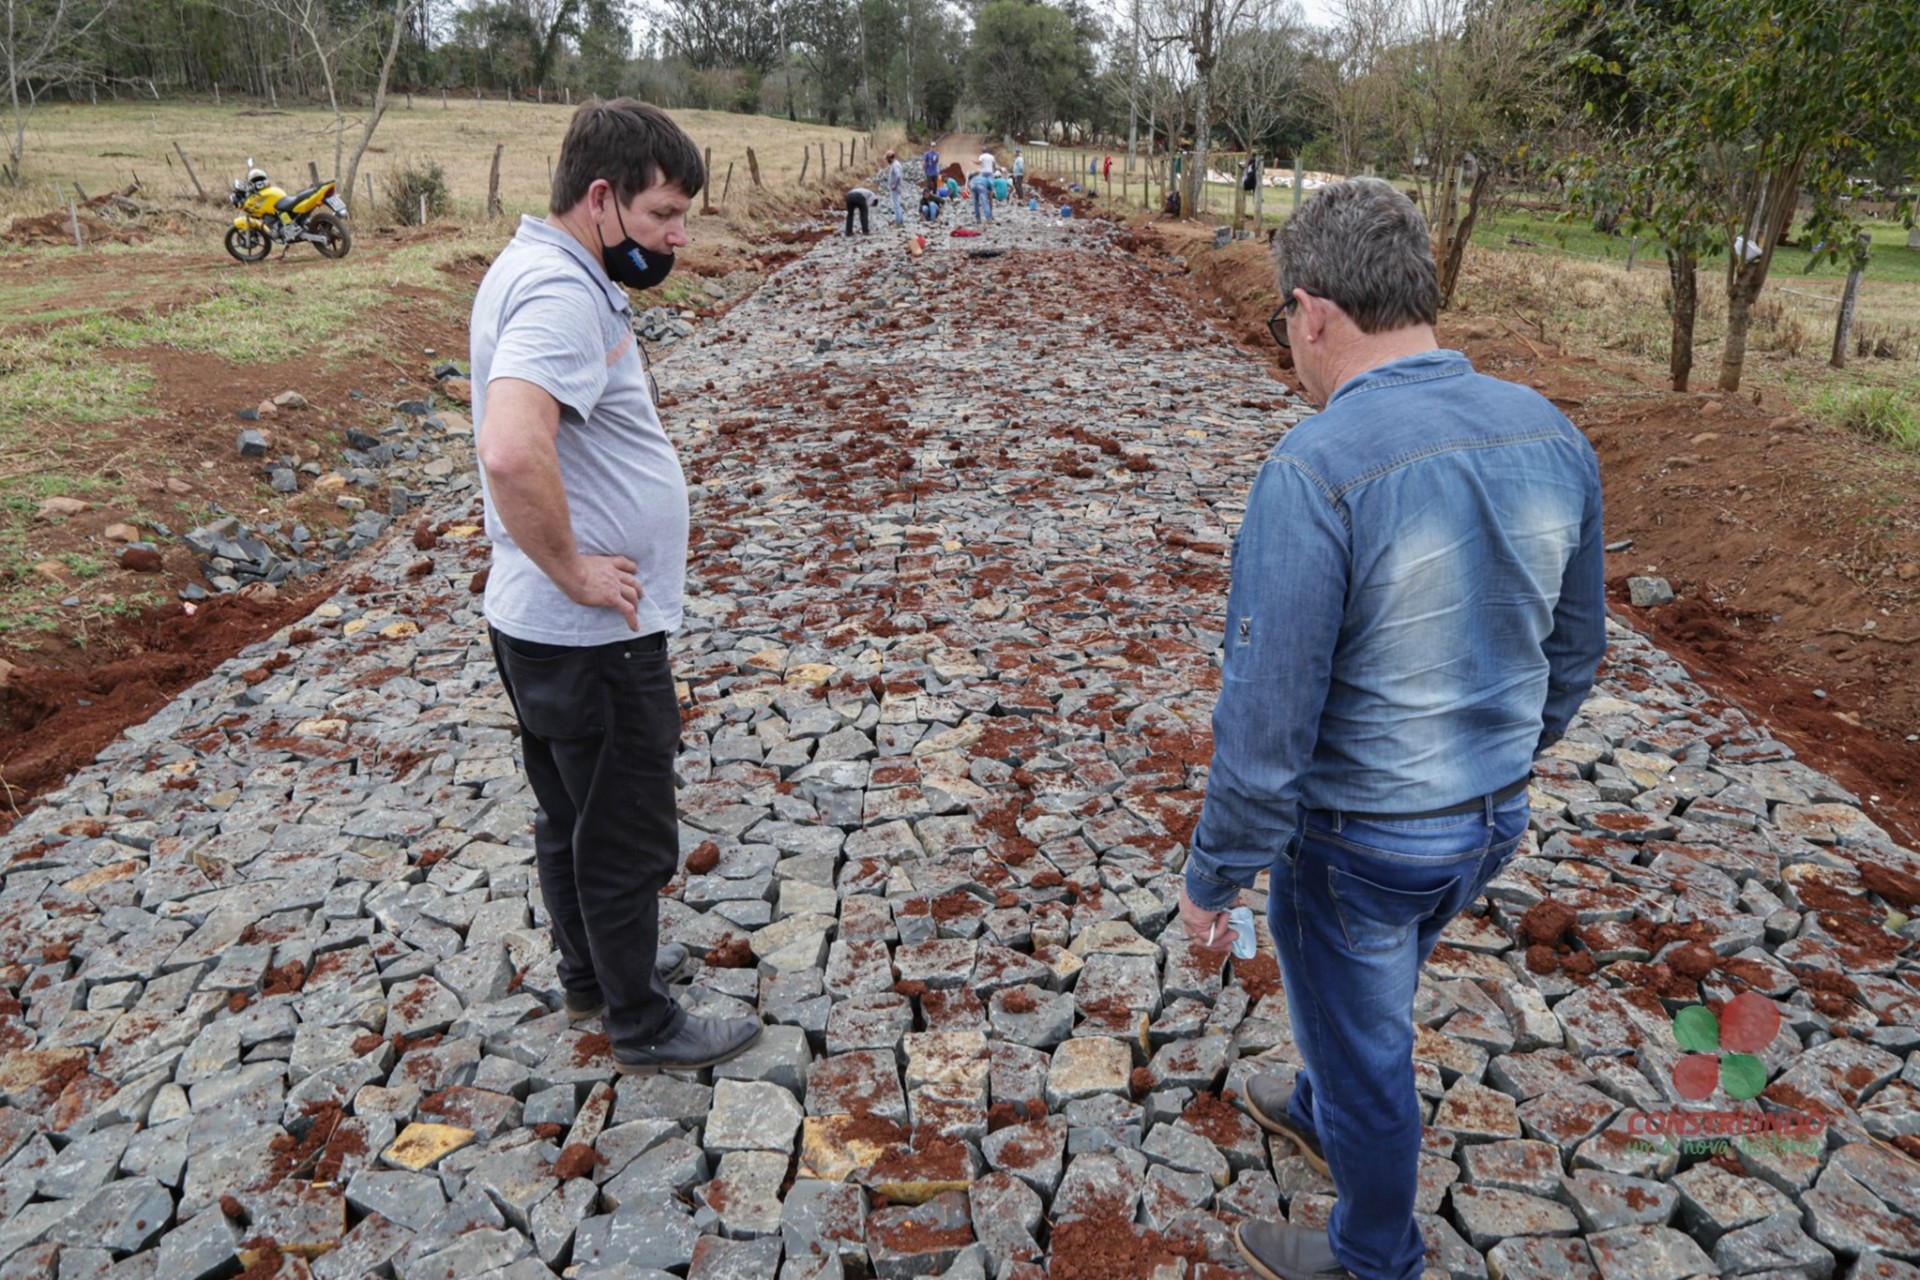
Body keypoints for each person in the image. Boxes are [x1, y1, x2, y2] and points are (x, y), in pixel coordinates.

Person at [1176, 176, 1605, 1280]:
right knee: (1370, 987)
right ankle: (1321, 1097)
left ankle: (1375, 1250)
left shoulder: (1315, 469)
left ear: (1312, 310)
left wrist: (1213, 876)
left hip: (1361, 839)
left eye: (1285, 322)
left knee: (1371, 1038)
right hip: (1487, 819)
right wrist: (1501, 756)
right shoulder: (1552, 434)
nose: (1289, 345)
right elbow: (1574, 651)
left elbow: (1267, 724)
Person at [469, 99, 764, 1075]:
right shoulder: (558, 294)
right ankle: (640, 1019)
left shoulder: (541, 268)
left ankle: (593, 973)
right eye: (663, 215)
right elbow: (513, 449)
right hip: (589, 633)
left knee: (571, 813)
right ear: (601, 198)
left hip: (541, 627)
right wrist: (575, 567)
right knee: (628, 824)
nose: (680, 237)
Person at [883, 149, 905, 227]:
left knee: (896, 205)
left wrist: (893, 186)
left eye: (887, 158)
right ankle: (900, 221)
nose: (887, 160)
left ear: (889, 158)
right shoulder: (896, 163)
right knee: (897, 204)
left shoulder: (895, 165)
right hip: (898, 188)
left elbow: (898, 176)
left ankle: (898, 222)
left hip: (896, 188)